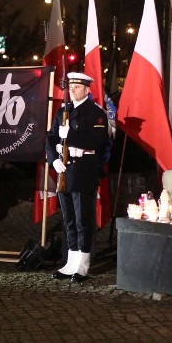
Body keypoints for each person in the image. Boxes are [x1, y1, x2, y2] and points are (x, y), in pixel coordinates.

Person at [45, 72, 110, 283]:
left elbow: (95, 141)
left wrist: (70, 136)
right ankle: (70, 262)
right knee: (69, 220)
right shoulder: (63, 110)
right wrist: (54, 159)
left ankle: (82, 265)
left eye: (77, 87)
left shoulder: (96, 113)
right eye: (71, 86)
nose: (72, 90)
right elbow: (51, 137)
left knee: (83, 220)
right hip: (64, 168)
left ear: (87, 90)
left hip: (83, 169)